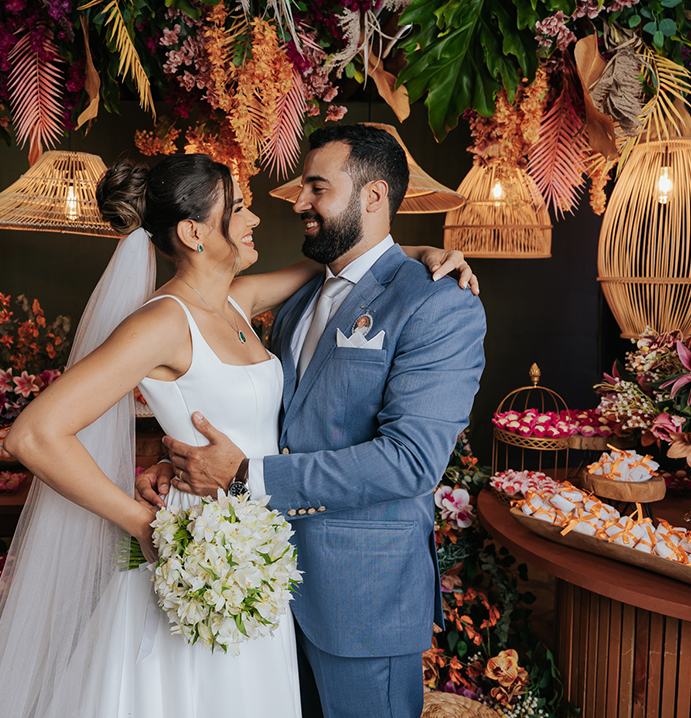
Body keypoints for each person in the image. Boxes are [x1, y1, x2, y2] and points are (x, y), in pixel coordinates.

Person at [0, 150, 478, 718]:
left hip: (261, 553)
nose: (255, 218)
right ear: (193, 232)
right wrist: (142, 522)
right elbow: (32, 435)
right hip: (204, 550)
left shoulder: (236, 303)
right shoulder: (162, 322)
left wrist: (417, 254)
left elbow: (347, 264)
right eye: (239, 208)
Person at [152, 125, 487, 718]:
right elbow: (270, 417)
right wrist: (178, 464)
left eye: (317, 188)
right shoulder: (301, 298)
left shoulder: (439, 302)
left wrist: (244, 475)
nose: (299, 203)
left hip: (365, 601)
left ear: (374, 196)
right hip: (266, 589)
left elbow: (410, 461)